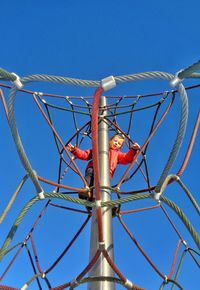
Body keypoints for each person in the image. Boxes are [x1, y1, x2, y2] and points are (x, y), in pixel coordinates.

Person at [67, 134, 140, 201]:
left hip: (106, 173)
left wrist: (133, 150)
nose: (116, 143)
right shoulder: (99, 148)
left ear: (120, 147)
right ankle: (86, 191)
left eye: (119, 144)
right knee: (88, 181)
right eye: (115, 141)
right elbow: (85, 154)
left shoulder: (118, 154)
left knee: (103, 189)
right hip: (92, 168)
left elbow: (127, 158)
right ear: (109, 141)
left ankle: (106, 205)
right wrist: (75, 150)